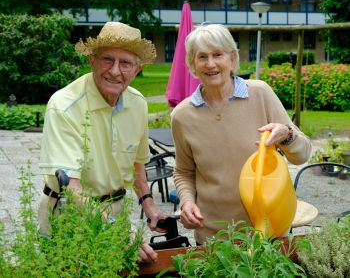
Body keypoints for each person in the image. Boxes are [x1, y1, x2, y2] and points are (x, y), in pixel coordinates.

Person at [171, 24, 312, 245]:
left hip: (269, 229)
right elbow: (184, 171)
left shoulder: (260, 93)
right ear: (192, 64)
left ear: (232, 59)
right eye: (202, 57)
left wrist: (287, 135)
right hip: (213, 236)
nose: (210, 64)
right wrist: (187, 202)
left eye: (218, 55)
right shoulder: (182, 116)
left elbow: (302, 155)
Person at [38, 21, 167, 262]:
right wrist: (116, 231)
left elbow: (138, 164)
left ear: (136, 70)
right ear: (92, 61)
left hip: (115, 212)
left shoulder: (138, 104)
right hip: (68, 217)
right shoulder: (64, 106)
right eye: (108, 59)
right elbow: (70, 186)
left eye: (125, 63)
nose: (115, 71)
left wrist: (149, 206)